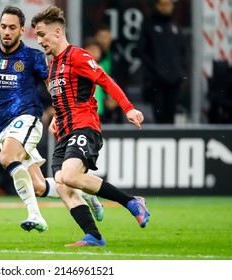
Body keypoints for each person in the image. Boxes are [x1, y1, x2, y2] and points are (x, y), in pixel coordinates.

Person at [0, 6, 103, 233]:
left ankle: (35, 216)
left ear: (21, 31)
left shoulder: (33, 57)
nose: (7, 31)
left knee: (7, 156)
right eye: (4, 26)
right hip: (3, 126)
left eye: (12, 28)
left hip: (27, 117)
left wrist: (59, 112)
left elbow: (52, 84)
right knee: (37, 185)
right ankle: (86, 192)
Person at [31, 5, 150, 246]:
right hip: (64, 133)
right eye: (37, 36)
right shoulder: (51, 65)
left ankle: (131, 201)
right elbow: (61, 96)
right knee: (63, 184)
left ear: (57, 31)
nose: (40, 40)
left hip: (84, 127)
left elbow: (105, 80)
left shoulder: (78, 56)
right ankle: (94, 236)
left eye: (42, 34)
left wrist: (128, 108)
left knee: (71, 176)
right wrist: (56, 117)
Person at [137, 0, 186, 124]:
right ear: (157, 6)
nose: (165, 7)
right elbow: (142, 51)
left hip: (174, 80)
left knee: (171, 114)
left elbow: (182, 51)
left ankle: (171, 140)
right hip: (156, 80)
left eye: (168, 4)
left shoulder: (175, 26)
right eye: (162, 4)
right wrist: (155, 70)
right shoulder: (149, 25)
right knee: (158, 114)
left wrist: (179, 71)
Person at [94, 24, 130, 124]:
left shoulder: (118, 57)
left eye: (106, 37)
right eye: (101, 37)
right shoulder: (90, 59)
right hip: (96, 101)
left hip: (114, 100)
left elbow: (124, 79)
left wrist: (115, 99)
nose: (103, 41)